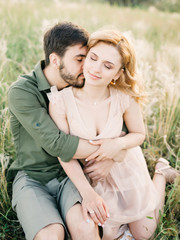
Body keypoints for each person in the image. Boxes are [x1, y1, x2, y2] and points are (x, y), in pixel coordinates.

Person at [48, 29, 179, 240]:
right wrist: (86, 192)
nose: (95, 69)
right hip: (94, 178)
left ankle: (161, 173)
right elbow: (64, 153)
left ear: (118, 73)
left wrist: (116, 145)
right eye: (93, 58)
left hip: (126, 168)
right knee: (108, 235)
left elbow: (138, 134)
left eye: (108, 66)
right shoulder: (60, 102)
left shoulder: (123, 97)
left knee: (144, 234)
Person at [8, 22, 126, 240]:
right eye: (80, 60)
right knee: (51, 234)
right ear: (55, 60)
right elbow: (57, 144)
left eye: (87, 58)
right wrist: (108, 150)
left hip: (72, 176)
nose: (88, 67)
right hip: (34, 177)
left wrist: (116, 150)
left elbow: (120, 123)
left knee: (85, 228)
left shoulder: (83, 83)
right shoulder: (22, 92)